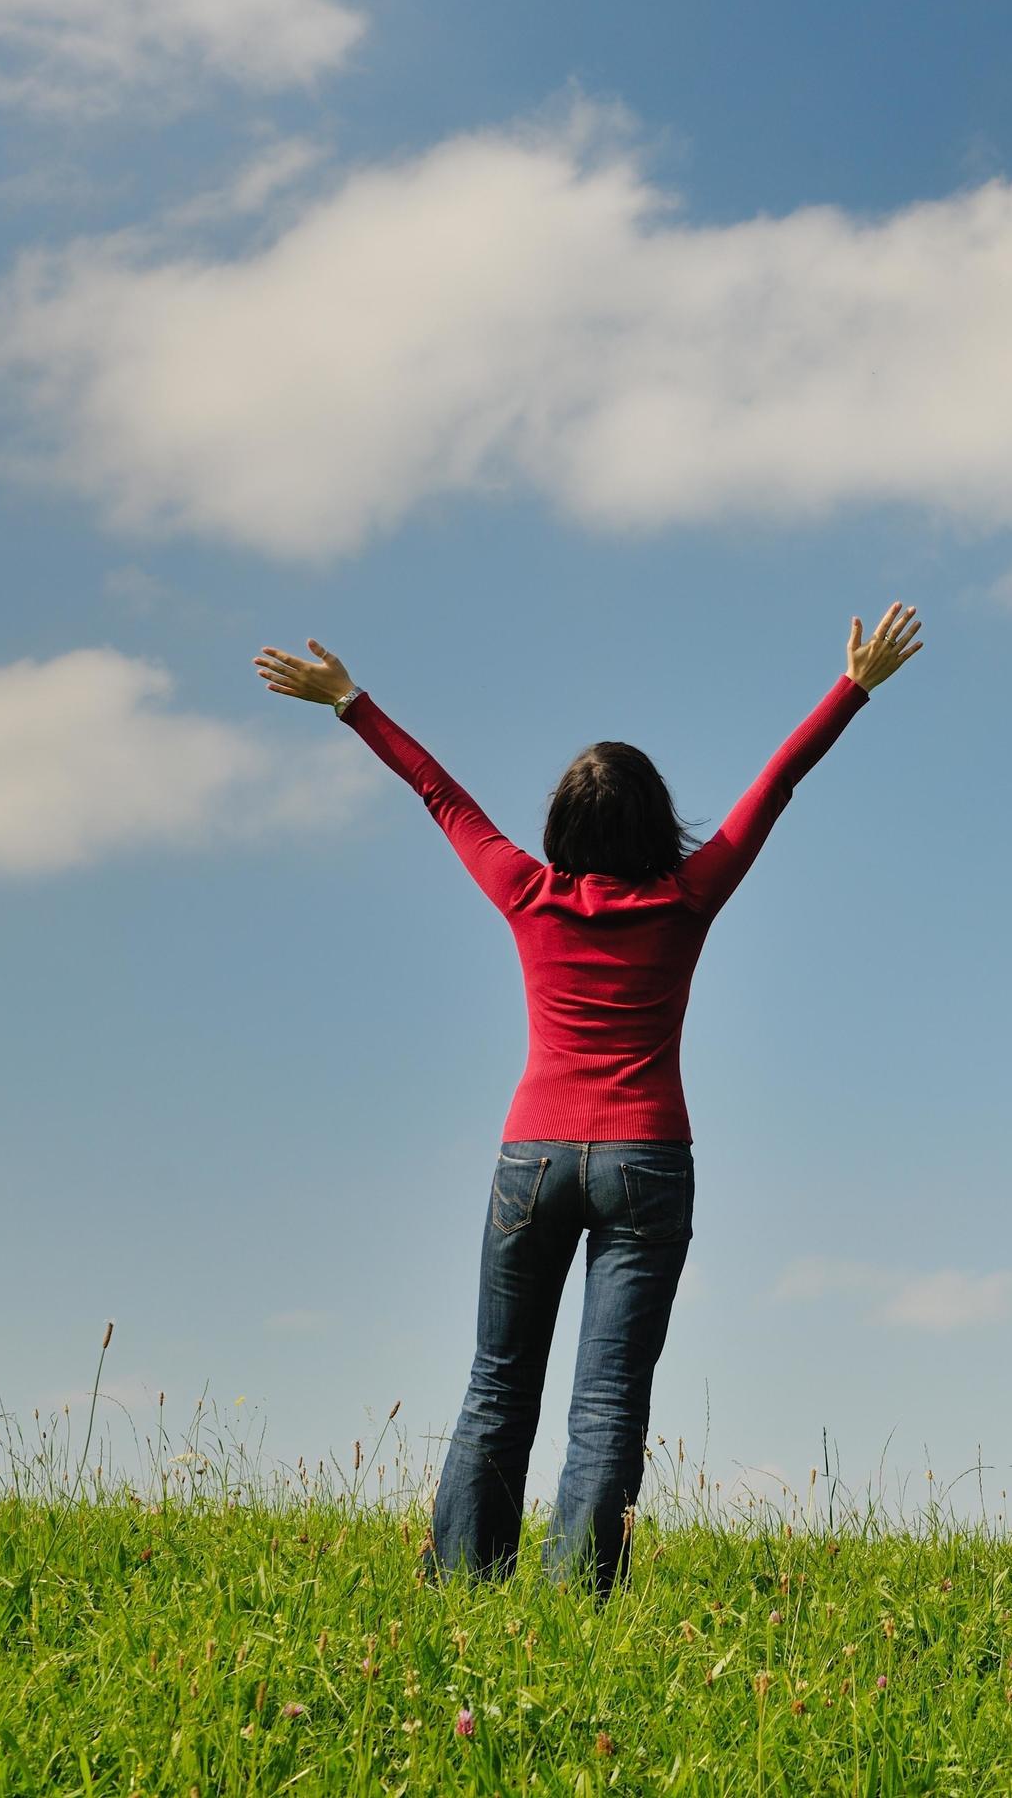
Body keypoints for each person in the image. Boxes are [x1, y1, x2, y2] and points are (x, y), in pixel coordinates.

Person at [250, 603, 924, 1593]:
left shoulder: (528, 893)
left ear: (562, 826)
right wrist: (854, 686)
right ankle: (571, 1604)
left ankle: (466, 1587)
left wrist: (351, 701)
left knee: (496, 1380)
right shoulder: (687, 896)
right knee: (607, 1399)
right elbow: (775, 784)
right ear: (657, 824)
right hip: (648, 1157)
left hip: (533, 1156)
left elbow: (441, 795)